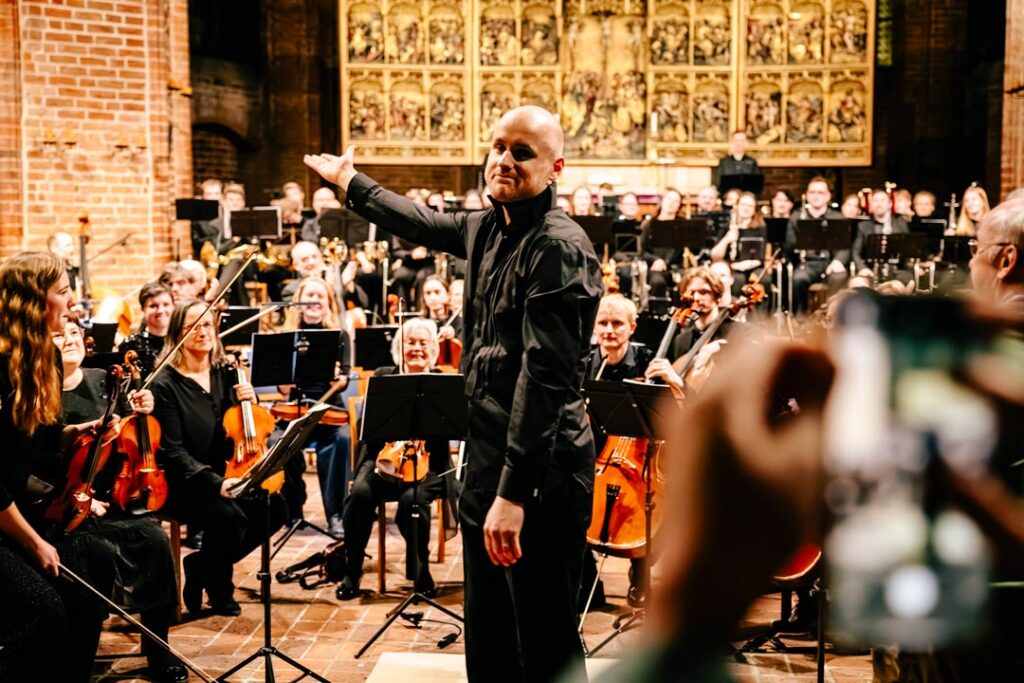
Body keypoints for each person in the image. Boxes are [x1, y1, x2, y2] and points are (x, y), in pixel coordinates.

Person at [305, 104, 603, 682]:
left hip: (540, 473)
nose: (505, 161)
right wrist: (349, 183)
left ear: (555, 167)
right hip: (488, 459)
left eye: (523, 152)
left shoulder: (559, 248)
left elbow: (543, 382)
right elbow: (418, 221)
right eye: (498, 146)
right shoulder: (488, 227)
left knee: (543, 639)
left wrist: (513, 494)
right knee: (489, 633)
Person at [54, 320, 185, 683]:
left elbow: (131, 431)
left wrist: (143, 406)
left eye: (75, 334)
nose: (70, 341)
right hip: (63, 505)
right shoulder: (41, 389)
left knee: (154, 540)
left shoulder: (102, 379)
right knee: (93, 552)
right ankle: (79, 656)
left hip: (112, 496)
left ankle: (158, 651)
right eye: (59, 335)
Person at [150, 300, 287, 616]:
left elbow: (242, 427)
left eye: (207, 325)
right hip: (183, 479)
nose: (202, 332)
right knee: (229, 517)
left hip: (231, 469)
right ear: (177, 335)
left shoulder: (227, 372)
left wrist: (251, 402)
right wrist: (217, 484)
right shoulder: (165, 383)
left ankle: (201, 566)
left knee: (275, 506)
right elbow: (173, 453)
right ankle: (219, 586)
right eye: (193, 327)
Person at [335, 318, 452, 600]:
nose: (417, 348)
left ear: (433, 348)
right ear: (400, 347)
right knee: (360, 494)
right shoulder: (384, 375)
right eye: (410, 342)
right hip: (382, 461)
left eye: (423, 343)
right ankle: (353, 570)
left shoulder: (440, 380)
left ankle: (420, 568)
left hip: (427, 466)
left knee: (411, 501)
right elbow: (369, 427)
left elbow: (450, 428)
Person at [579, 294, 654, 610]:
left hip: (632, 453)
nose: (609, 330)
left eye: (617, 323)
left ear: (632, 327)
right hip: (591, 451)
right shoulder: (585, 363)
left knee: (649, 505)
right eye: (603, 323)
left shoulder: (645, 361)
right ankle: (589, 584)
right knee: (571, 511)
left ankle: (640, 572)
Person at [278, 276, 353, 536]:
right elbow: (282, 388)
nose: (314, 301)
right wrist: (287, 381)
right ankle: (292, 510)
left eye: (320, 296)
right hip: (295, 410)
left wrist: (336, 379)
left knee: (342, 439)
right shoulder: (288, 337)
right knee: (276, 442)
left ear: (328, 303)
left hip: (330, 410)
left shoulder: (340, 336)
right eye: (309, 295)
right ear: (298, 302)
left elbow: (344, 379)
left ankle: (336, 515)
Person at [785, 177, 846, 312]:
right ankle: (800, 320)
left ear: (828, 196)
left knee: (840, 277)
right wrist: (800, 243)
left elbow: (845, 247)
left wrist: (838, 261)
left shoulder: (837, 217)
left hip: (830, 262)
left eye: (820, 193)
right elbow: (789, 245)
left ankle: (833, 316)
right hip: (807, 264)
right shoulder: (796, 217)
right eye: (812, 192)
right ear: (806, 195)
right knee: (798, 279)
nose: (816, 196)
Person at [118, 282, 174, 378]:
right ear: (143, 309)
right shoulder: (132, 344)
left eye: (166, 304)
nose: (160, 310)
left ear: (173, 306)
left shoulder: (181, 340)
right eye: (153, 306)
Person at [851, 188, 910, 274]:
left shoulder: (901, 224)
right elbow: (855, 251)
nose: (879, 204)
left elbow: (908, 250)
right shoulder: (863, 226)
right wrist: (862, 268)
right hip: (871, 271)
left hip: (897, 271)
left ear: (890, 204)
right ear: (871, 204)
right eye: (875, 201)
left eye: (882, 200)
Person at [715, 130, 761, 196]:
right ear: (732, 142)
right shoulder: (724, 162)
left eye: (742, 140)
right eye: (736, 140)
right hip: (728, 199)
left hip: (745, 200)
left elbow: (756, 186)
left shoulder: (752, 162)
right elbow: (718, 184)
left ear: (746, 142)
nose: (739, 143)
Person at [419, 273, 460, 340]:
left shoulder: (458, 323)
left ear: (448, 294)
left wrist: (455, 337)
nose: (432, 298)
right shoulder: (419, 324)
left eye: (437, 292)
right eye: (428, 293)